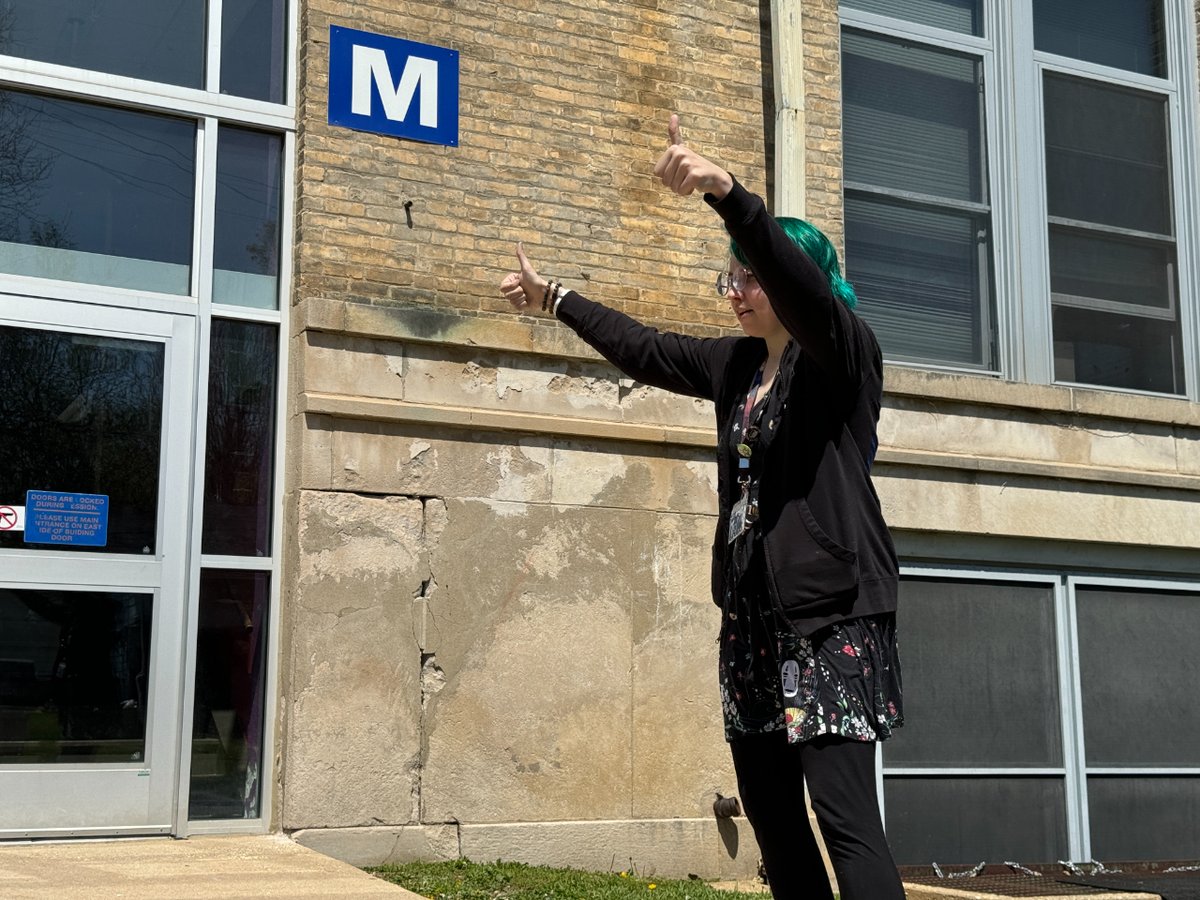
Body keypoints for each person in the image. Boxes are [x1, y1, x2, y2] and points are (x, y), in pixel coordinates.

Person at [500, 114, 905, 900]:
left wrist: (726, 193)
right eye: (729, 276)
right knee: (774, 820)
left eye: (747, 275)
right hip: (753, 620)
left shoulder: (843, 353)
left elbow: (801, 288)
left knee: (843, 816)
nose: (734, 290)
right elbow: (647, 348)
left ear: (791, 277)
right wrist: (557, 298)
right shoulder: (738, 364)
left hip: (831, 619)